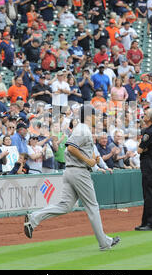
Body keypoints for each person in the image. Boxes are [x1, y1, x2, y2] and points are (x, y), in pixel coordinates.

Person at [24, 106, 121, 251]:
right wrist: (88, 161)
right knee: (92, 207)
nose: (97, 118)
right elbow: (70, 148)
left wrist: (92, 160)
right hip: (79, 172)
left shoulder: (82, 129)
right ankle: (104, 243)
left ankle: (34, 218)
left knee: (65, 205)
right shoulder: (83, 129)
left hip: (71, 171)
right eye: (95, 115)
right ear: (89, 116)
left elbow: (77, 150)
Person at [135, 108, 152, 231]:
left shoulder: (150, 131)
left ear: (150, 118)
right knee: (148, 193)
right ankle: (146, 222)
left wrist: (143, 147)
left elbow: (139, 150)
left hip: (150, 162)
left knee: (150, 193)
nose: (143, 116)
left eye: (145, 114)